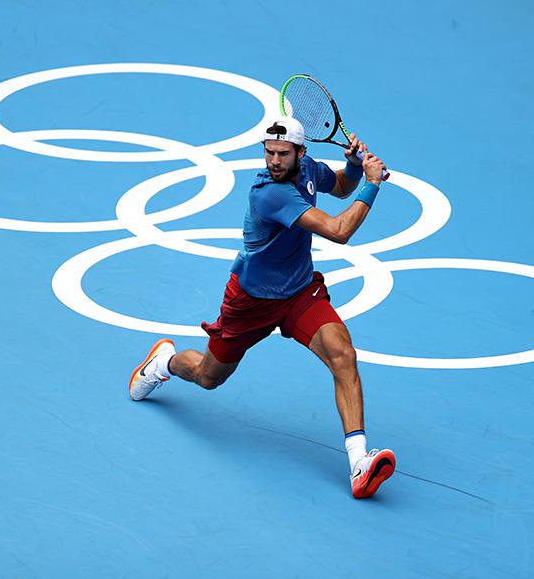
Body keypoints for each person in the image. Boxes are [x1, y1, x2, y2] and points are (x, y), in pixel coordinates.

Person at [129, 117, 395, 499]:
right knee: (208, 376)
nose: (273, 160)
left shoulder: (306, 170)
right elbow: (339, 231)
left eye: (282, 154)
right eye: (269, 153)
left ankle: (359, 463)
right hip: (251, 303)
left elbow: (337, 186)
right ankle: (163, 363)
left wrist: (354, 167)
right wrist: (371, 184)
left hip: (300, 293)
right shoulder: (270, 194)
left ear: (301, 153)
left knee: (343, 355)